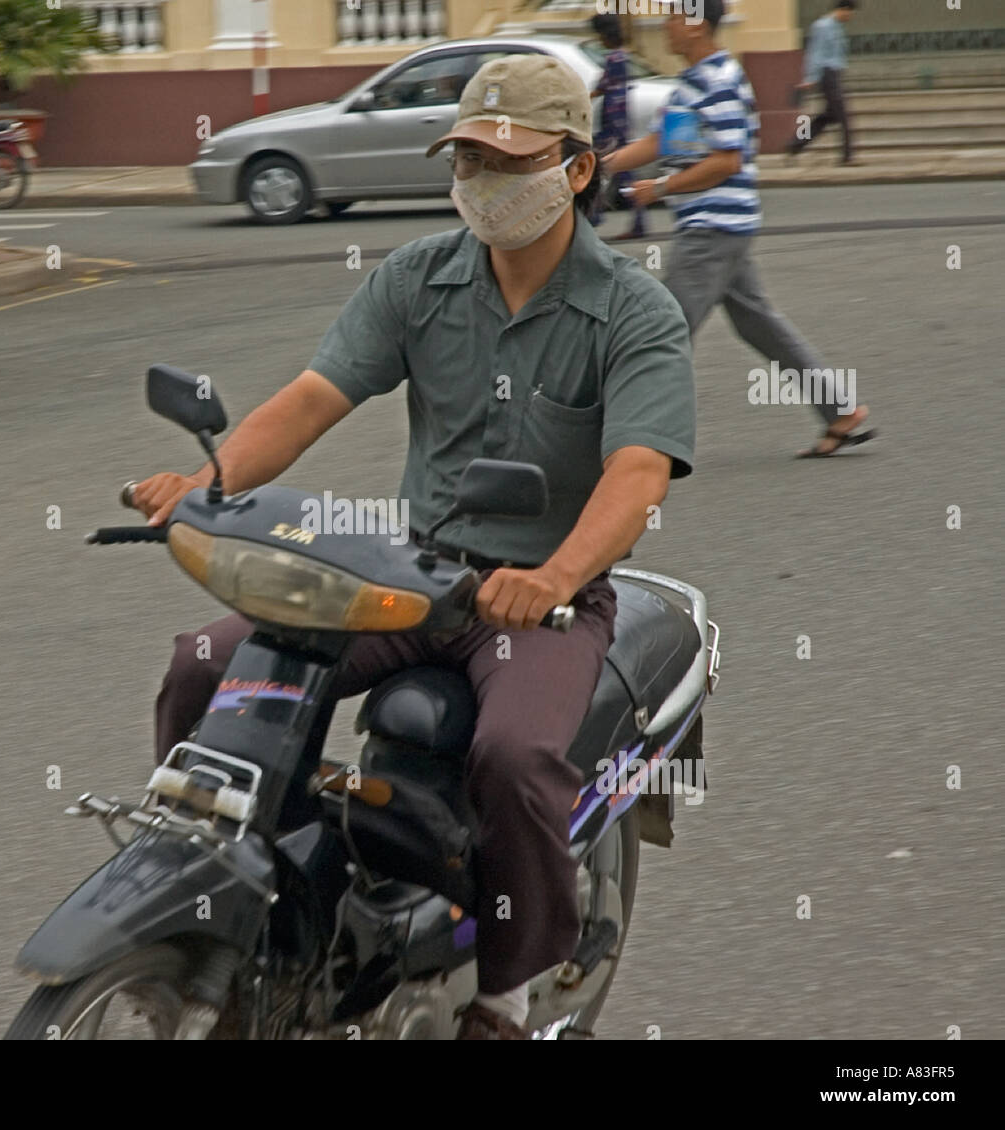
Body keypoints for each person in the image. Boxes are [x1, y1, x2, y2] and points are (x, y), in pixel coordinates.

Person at [129, 54, 697, 1040]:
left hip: (543, 601)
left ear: (572, 168)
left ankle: (506, 992)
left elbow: (637, 473)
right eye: (466, 159)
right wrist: (207, 486)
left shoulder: (633, 312)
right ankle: (250, 914)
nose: (479, 182)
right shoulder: (417, 277)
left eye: (504, 160)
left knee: (516, 758)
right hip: (406, 574)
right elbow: (313, 398)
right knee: (203, 668)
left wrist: (556, 574)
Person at [602, 0, 875, 458]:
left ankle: (631, 440)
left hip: (713, 228)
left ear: (694, 25)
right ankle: (841, 413)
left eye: (671, 17)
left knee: (664, 331)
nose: (665, 25)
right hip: (722, 228)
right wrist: (602, 167)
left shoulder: (719, 80)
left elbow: (726, 161)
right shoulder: (693, 82)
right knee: (760, 325)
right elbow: (661, 141)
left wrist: (660, 189)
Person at [588, 11, 647, 239]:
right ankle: (637, 221)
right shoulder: (622, 56)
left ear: (605, 35)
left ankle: (594, 215)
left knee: (600, 165)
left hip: (613, 124)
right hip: (620, 121)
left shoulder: (614, 58)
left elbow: (602, 86)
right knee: (621, 172)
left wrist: (586, 97)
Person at [789, 1, 859, 166]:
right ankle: (847, 156)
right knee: (843, 116)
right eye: (849, 13)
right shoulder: (823, 26)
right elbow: (815, 53)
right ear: (842, 10)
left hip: (834, 75)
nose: (850, 16)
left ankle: (795, 145)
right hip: (827, 76)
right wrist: (809, 78)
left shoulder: (838, 27)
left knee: (828, 117)